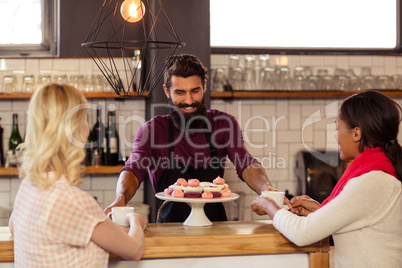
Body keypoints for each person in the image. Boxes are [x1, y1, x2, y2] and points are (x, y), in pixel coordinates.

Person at [105, 54, 276, 223]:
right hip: (169, 232)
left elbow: (246, 163)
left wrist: (266, 190)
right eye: (180, 92)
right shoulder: (152, 131)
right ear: (167, 91)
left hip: (216, 229)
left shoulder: (223, 124)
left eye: (195, 91)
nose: (189, 101)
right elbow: (133, 170)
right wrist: (120, 198)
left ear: (204, 86)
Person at [251, 91, 402, 268]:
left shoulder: (372, 180)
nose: (335, 136)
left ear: (356, 133)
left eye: (338, 128)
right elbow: (359, 219)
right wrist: (320, 210)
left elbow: (302, 233)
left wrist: (269, 206)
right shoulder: (378, 170)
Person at [9, 83, 147, 267]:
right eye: (84, 119)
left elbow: (13, 226)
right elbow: (134, 250)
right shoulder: (72, 200)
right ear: (74, 129)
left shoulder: (29, 185)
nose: (88, 128)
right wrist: (135, 220)